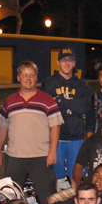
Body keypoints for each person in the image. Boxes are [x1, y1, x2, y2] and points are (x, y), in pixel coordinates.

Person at [0, 61, 64, 204]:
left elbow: (55, 126)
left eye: (31, 75)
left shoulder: (47, 100)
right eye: (24, 75)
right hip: (15, 156)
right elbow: (3, 127)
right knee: (11, 197)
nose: (28, 78)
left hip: (41, 157)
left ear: (36, 77)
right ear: (18, 77)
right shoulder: (9, 101)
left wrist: (52, 151)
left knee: (48, 198)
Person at [40, 47, 94, 188]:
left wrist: (58, 101)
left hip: (76, 137)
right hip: (54, 137)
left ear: (75, 63)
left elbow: (85, 108)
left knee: (75, 176)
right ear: (58, 62)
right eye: (64, 60)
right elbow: (44, 109)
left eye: (70, 60)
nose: (67, 63)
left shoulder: (82, 85)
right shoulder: (48, 83)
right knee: (55, 177)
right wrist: (73, 105)